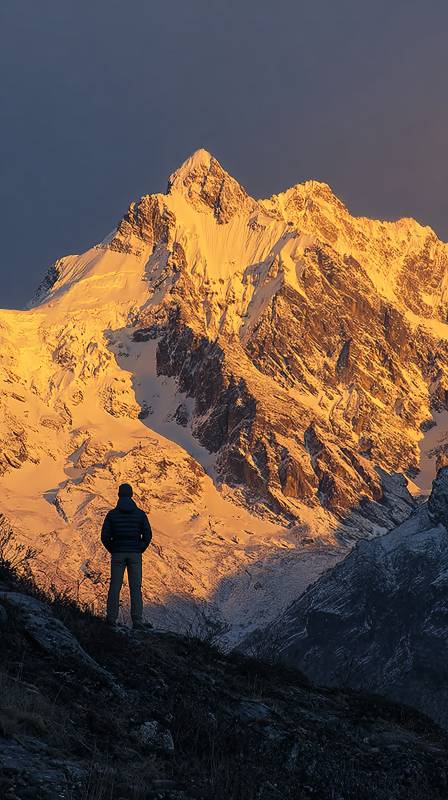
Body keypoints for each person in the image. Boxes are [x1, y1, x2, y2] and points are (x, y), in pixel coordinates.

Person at [101, 483, 152, 629]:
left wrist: (113, 548)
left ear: (118, 495)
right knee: (135, 587)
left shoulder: (112, 514)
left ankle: (111, 619)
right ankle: (137, 620)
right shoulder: (140, 514)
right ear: (131, 495)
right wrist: (140, 548)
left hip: (117, 553)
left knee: (115, 586)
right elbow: (147, 534)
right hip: (135, 554)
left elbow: (104, 536)